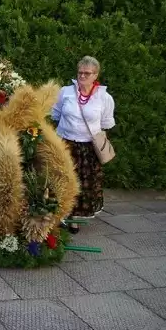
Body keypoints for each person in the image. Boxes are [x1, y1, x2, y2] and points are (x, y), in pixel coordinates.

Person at [51, 56, 115, 234]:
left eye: (87, 73)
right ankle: (58, 215)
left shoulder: (104, 97)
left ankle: (74, 220)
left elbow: (106, 123)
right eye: (80, 72)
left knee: (83, 184)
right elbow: (55, 114)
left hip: (88, 148)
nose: (82, 76)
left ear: (96, 75)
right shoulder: (66, 92)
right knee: (61, 180)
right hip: (65, 144)